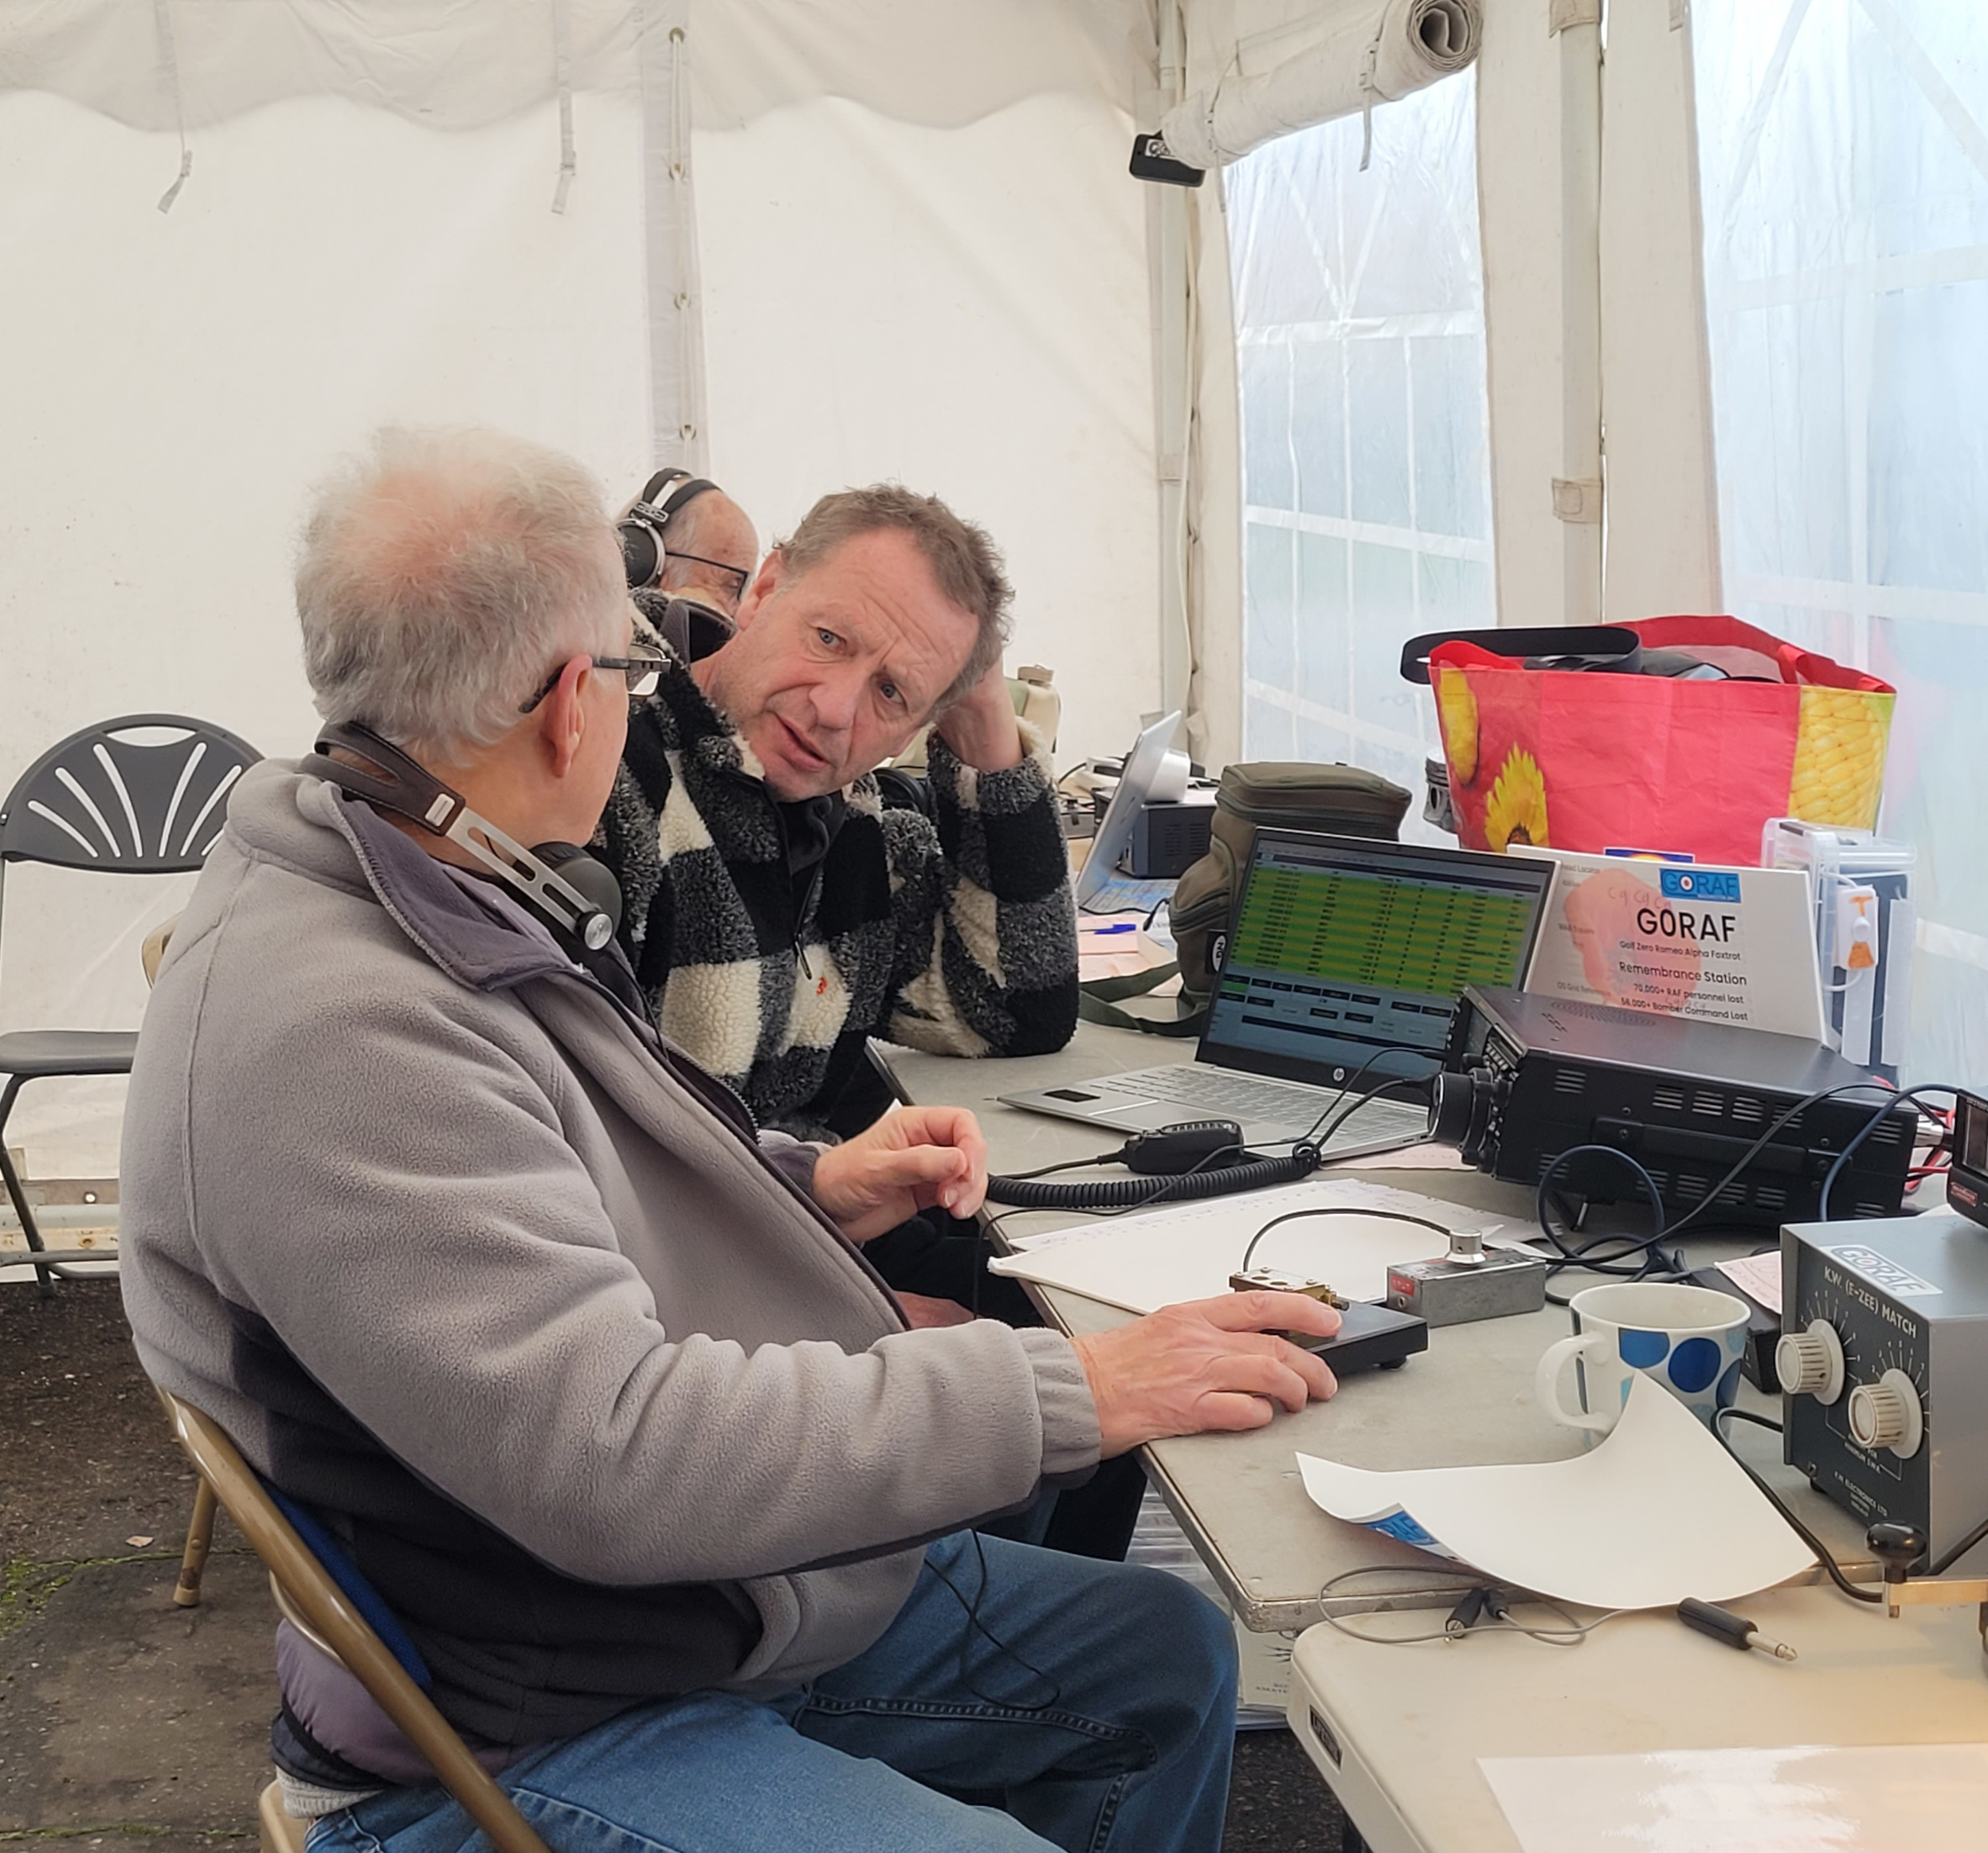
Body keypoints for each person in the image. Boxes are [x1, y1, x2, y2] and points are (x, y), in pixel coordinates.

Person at [118, 427, 1343, 1853]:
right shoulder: (349, 1029)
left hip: (671, 1607)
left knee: (1163, 1659)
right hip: (531, 1701)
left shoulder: (439, 869)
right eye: (635, 665)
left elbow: (562, 1174)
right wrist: (1061, 1389)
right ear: (577, 707)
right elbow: (620, 1458)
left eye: (899, 689)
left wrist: (812, 1181)